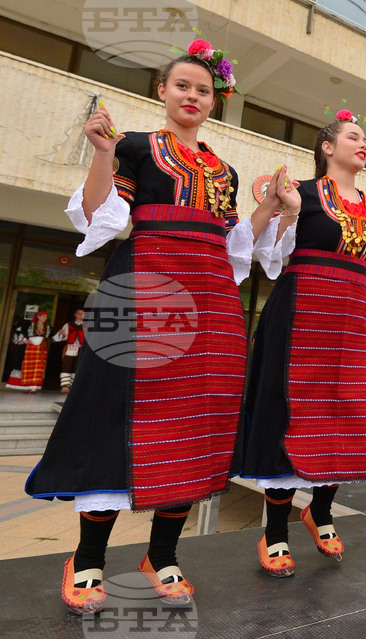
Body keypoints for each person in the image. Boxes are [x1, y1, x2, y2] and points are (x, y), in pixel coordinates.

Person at [25, 38, 297, 614]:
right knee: (114, 412)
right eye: (182, 86)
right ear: (162, 90)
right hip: (145, 288)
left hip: (211, 299)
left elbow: (232, 244)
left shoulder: (223, 169)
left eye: (203, 89)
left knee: (197, 420)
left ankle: (162, 554)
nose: (192, 96)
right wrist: (101, 151)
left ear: (214, 100)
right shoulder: (134, 148)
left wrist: (270, 207)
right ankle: (89, 558)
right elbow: (100, 215)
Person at [240, 110, 366, 573]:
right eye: (352, 136)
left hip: (348, 318)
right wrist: (284, 208)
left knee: (349, 412)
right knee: (293, 413)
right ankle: (276, 531)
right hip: (301, 310)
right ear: (327, 147)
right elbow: (269, 256)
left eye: (365, 139)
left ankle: (321, 512)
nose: (362, 144)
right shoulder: (302, 193)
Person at [6, 310, 50, 392]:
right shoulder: (30, 325)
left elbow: (52, 337)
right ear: (38, 316)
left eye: (46, 317)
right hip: (30, 348)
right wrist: (24, 339)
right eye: (44, 316)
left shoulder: (47, 327)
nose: (45, 318)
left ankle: (33, 387)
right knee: (28, 366)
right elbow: (19, 331)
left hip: (41, 349)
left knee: (38, 367)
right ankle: (26, 386)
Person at [51, 309, 86, 392]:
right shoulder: (68, 325)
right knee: (66, 366)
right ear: (75, 314)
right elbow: (63, 337)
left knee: (77, 367)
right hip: (70, 348)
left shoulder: (86, 326)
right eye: (79, 313)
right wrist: (62, 334)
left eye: (82, 314)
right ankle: (65, 386)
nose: (80, 315)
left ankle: (74, 386)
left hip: (80, 349)